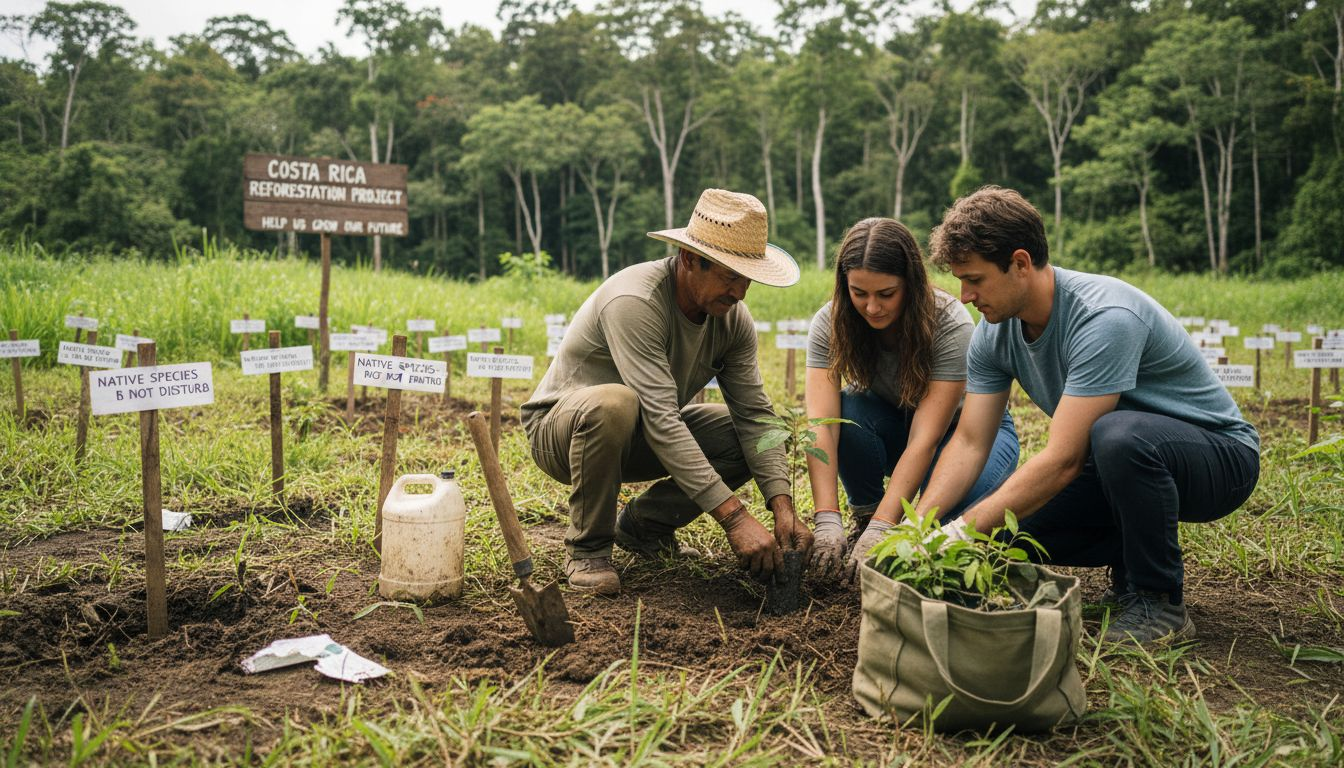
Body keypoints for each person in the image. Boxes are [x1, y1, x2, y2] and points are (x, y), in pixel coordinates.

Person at [913, 186, 1260, 644]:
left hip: (1217, 458)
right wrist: (921, 529)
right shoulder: (994, 335)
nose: (966, 295)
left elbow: (1063, 460)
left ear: (1020, 263)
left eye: (975, 279)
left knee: (1117, 436)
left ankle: (1159, 600)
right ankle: (1132, 546)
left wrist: (957, 533)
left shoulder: (1103, 316)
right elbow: (971, 440)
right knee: (1007, 534)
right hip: (1118, 466)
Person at [522, 188, 813, 595]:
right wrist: (734, 518)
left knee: (750, 435)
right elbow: (660, 418)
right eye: (730, 277)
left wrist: (782, 507)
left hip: (640, 433)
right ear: (691, 260)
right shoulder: (635, 300)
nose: (740, 292)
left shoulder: (732, 319)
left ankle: (645, 527)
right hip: (563, 433)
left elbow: (755, 415)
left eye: (747, 279)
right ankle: (587, 549)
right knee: (615, 403)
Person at [801, 218, 1020, 583]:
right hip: (893, 425)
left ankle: (882, 527)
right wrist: (826, 518)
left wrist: (887, 527)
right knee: (848, 412)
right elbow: (821, 426)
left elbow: (926, 438)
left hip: (968, 435)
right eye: (860, 293)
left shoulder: (949, 323)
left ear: (911, 284)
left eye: (886, 294)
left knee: (946, 524)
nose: (872, 308)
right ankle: (865, 517)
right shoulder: (831, 323)